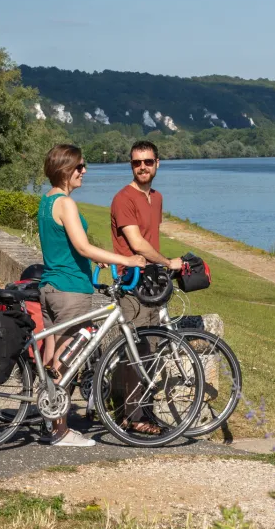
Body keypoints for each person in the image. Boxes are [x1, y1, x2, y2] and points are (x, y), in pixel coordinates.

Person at [38, 144, 145, 447]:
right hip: (71, 291)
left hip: (50, 287)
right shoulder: (66, 204)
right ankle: (59, 431)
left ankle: (51, 421)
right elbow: (82, 246)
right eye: (80, 167)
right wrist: (124, 260)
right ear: (65, 170)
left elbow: (65, 246)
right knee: (65, 363)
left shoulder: (46, 201)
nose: (84, 171)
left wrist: (91, 260)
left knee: (51, 359)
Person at [109, 140, 182, 434]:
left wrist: (161, 268)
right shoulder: (123, 198)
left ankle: (139, 411)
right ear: (131, 165)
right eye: (137, 162)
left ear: (157, 164)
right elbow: (137, 243)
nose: (142, 167)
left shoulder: (157, 197)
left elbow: (152, 236)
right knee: (136, 350)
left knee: (150, 349)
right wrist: (167, 262)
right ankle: (132, 415)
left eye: (148, 162)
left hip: (152, 283)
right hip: (132, 283)